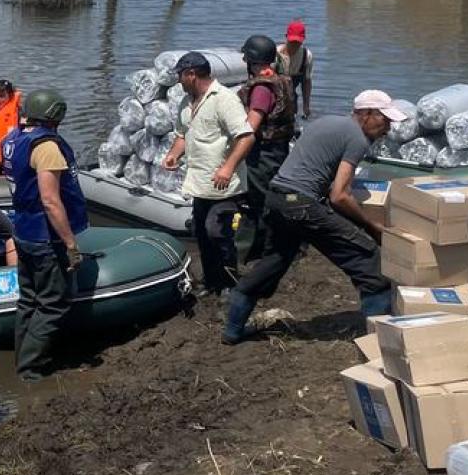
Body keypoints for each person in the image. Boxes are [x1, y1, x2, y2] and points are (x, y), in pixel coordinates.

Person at [224, 92, 408, 344]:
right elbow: (339, 196)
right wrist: (372, 227)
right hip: (300, 204)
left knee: (274, 261)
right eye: (384, 120)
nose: (387, 128)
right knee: (369, 261)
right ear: (365, 114)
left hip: (276, 197)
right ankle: (379, 343)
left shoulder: (325, 122)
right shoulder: (357, 138)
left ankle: (233, 330)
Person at [2, 89, 90, 381]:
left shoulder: (12, 140)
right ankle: (30, 369)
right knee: (54, 303)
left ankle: (21, 359)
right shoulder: (47, 147)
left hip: (22, 230)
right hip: (44, 237)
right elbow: (51, 200)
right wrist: (70, 244)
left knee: (28, 300)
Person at [160, 52, 255, 295]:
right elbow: (183, 134)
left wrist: (228, 167)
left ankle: (230, 284)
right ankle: (211, 282)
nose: (178, 80)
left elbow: (245, 137)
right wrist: (173, 155)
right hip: (200, 183)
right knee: (202, 233)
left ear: (192, 74)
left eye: (181, 75)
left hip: (224, 185)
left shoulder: (223, 99)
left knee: (218, 232)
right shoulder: (187, 102)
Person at [237, 34, 297, 263]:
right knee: (273, 198)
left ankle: (262, 251)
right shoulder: (282, 79)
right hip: (279, 150)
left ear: (252, 61)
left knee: (259, 202)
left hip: (262, 154)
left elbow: (251, 126)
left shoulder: (262, 88)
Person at [277, 19, 314, 118]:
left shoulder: (307, 55)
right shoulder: (276, 54)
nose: (294, 45)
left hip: (292, 97)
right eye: (292, 42)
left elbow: (306, 82)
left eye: (297, 42)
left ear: (303, 40)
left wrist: (306, 105)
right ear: (286, 37)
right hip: (275, 95)